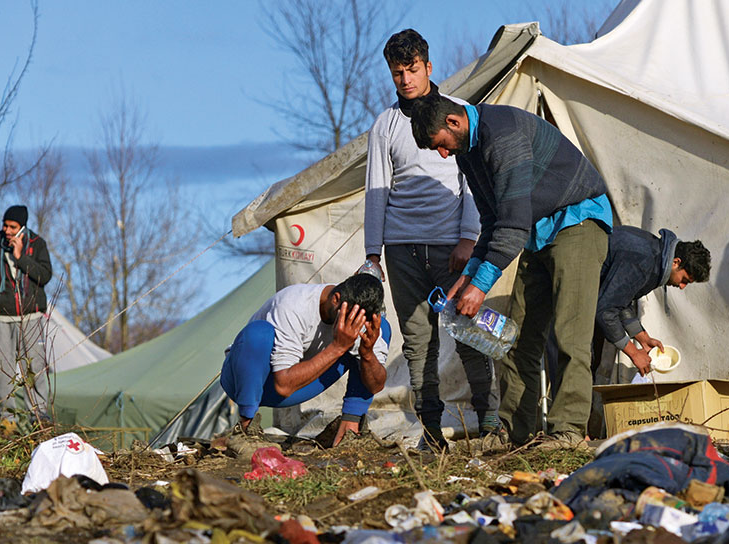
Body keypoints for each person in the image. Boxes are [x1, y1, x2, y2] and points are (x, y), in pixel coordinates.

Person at [410, 94, 611, 450]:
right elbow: (492, 222)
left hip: (577, 222)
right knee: (518, 339)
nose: (443, 155)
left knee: (570, 335)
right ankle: (514, 431)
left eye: (441, 145)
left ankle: (568, 432)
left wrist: (481, 287)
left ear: (454, 123)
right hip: (538, 232)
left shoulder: (502, 134)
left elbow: (513, 224)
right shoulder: (468, 151)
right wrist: (468, 278)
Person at [361, 29, 497, 452]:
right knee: (418, 343)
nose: (405, 80)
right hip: (402, 249)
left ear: (429, 67)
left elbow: (472, 183)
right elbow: (376, 190)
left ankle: (490, 425)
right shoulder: (385, 125)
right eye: (397, 72)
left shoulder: (455, 114)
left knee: (469, 331)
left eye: (412, 70)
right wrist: (373, 253)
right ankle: (432, 433)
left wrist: (468, 237)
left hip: (450, 247)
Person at [220, 273, 390, 455]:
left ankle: (350, 429)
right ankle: (246, 430)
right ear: (336, 299)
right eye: (348, 318)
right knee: (258, 333)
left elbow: (376, 385)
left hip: (299, 384)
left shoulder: (361, 316)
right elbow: (283, 385)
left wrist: (367, 354)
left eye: (359, 322)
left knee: (382, 330)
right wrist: (338, 347)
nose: (353, 326)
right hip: (251, 381)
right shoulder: (293, 304)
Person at [0, 204, 54, 427]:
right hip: (1, 317)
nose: (7, 230)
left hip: (31, 316)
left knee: (35, 366)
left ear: (22, 227)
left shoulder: (37, 245)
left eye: (13, 226)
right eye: (5, 225)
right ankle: (8, 421)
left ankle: (39, 417)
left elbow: (45, 276)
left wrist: (20, 258)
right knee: (4, 371)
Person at [595, 227, 712, 375]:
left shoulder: (656, 254)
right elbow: (606, 310)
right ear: (676, 262)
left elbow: (621, 300)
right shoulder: (644, 260)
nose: (682, 287)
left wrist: (643, 338)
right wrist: (633, 352)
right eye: (684, 280)